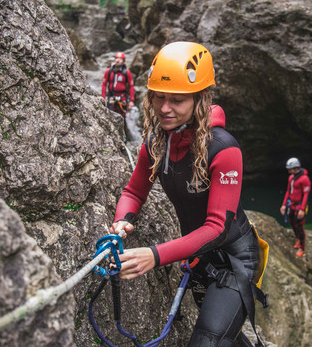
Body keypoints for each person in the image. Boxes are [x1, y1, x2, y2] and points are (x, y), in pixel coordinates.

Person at [108, 41, 268, 347]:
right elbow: (133, 191)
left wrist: (154, 256)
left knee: (207, 340)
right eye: (159, 97)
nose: (165, 108)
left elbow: (217, 227)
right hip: (199, 255)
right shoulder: (157, 142)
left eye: (178, 100)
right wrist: (122, 221)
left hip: (235, 258)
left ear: (200, 100)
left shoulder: (223, 148)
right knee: (224, 337)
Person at [280, 157, 311, 257]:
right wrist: (284, 204)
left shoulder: (304, 179)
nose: (289, 171)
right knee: (292, 223)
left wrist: (302, 209)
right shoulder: (291, 178)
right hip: (292, 205)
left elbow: (306, 195)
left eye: (290, 169)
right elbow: (288, 191)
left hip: (299, 206)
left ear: (295, 168)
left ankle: (302, 247)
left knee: (300, 227)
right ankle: (298, 239)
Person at [101, 52, 135, 116]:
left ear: (123, 61)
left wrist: (131, 101)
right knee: (109, 113)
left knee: (123, 114)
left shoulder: (127, 73)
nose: (118, 60)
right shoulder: (108, 71)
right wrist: (103, 98)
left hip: (122, 97)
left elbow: (131, 86)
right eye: (116, 58)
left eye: (120, 59)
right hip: (111, 96)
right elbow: (104, 84)